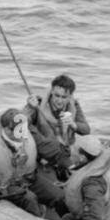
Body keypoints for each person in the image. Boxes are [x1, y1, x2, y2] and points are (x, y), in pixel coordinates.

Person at [24, 74, 92, 211]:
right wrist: (30, 108)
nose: (59, 101)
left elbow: (86, 130)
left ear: (70, 97)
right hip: (44, 160)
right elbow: (19, 123)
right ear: (51, 93)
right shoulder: (38, 104)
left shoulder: (74, 106)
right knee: (56, 193)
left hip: (66, 157)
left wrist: (73, 125)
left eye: (64, 97)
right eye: (56, 95)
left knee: (83, 188)